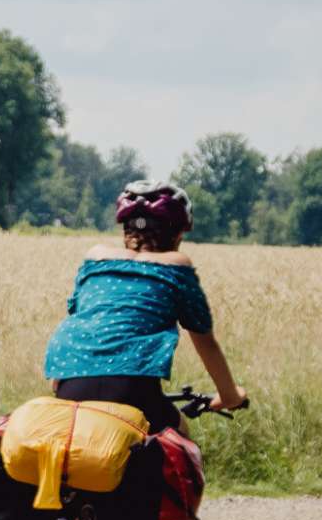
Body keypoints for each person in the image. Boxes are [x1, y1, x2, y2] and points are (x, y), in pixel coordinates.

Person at [40, 179, 246, 433]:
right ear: (178, 234)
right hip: (132, 387)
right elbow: (206, 343)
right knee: (179, 435)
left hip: (69, 384)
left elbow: (81, 318)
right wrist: (230, 396)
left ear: (126, 229)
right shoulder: (177, 264)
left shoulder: (95, 257)